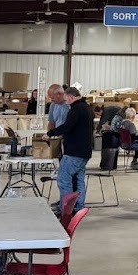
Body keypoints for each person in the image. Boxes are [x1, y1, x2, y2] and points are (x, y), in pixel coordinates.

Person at [50, 85, 92, 214]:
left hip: (74, 152)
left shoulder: (75, 109)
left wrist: (51, 133)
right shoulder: (87, 108)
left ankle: (66, 209)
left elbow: (67, 126)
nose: (66, 102)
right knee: (79, 180)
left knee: (64, 180)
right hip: (84, 151)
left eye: (67, 99)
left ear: (71, 97)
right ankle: (78, 207)